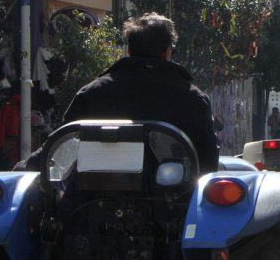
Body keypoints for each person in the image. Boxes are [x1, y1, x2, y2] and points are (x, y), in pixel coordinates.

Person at [64, 12, 219, 174]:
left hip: (94, 195)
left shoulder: (92, 92)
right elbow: (208, 160)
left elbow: (62, 144)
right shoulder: (193, 98)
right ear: (167, 52)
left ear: (129, 50)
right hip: (172, 195)